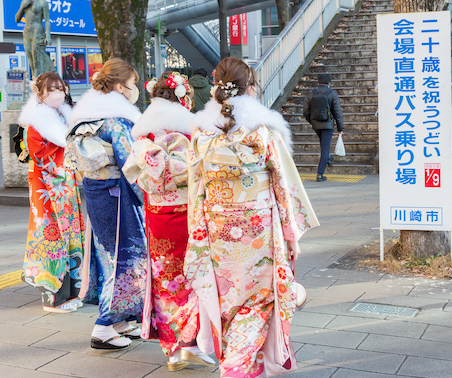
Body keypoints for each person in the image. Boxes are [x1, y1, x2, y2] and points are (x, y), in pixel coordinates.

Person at [186, 57, 319, 377]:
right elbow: (283, 187)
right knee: (257, 306)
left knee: (228, 305)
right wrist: (291, 234)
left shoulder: (202, 135)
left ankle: (240, 363)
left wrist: (196, 231)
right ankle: (235, 369)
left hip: (218, 231)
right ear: (251, 88)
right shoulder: (262, 132)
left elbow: (196, 188)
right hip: (259, 232)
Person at [123, 72, 215, 372]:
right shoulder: (188, 133)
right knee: (191, 275)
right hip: (187, 213)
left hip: (156, 214)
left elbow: (137, 175)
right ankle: (192, 344)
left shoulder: (143, 135)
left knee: (164, 279)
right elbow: (199, 172)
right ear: (183, 97)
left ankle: (172, 350)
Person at [66, 58, 146, 351]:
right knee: (123, 257)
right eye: (133, 83)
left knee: (107, 254)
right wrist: (149, 197)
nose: (135, 88)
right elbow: (132, 164)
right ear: (119, 86)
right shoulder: (116, 119)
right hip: (118, 195)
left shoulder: (87, 116)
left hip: (97, 191)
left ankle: (121, 321)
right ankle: (103, 325)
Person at [18, 72, 85, 313]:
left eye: (61, 89)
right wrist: (67, 149)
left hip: (64, 186)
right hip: (47, 187)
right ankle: (53, 297)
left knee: (71, 236)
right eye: (52, 90)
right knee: (51, 236)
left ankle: (72, 291)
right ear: (40, 94)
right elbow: (40, 155)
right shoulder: (36, 122)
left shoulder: (62, 115)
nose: (58, 93)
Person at [302, 73, 343, 182]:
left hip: (316, 124)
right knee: (325, 147)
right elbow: (337, 112)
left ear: (318, 82)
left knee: (323, 144)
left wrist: (312, 121)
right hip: (328, 124)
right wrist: (340, 128)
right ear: (329, 83)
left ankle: (328, 158)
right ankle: (320, 174)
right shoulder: (332, 93)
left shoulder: (311, 93)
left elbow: (305, 111)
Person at [15, 0, 55, 79]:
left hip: (38, 32)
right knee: (31, 60)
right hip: (27, 32)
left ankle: (43, 79)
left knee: (38, 59)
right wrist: (22, 7)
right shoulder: (25, 2)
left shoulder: (43, 2)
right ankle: (36, 82)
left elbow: (47, 20)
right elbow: (17, 19)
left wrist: (48, 36)